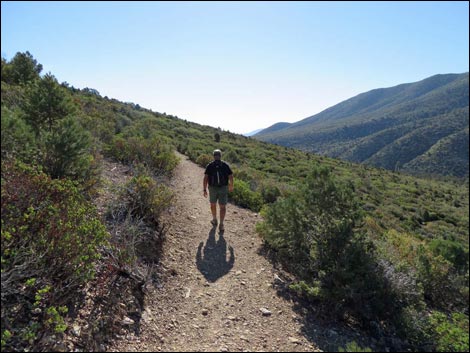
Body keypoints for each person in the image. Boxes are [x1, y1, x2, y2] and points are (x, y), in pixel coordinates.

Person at [203, 149, 234, 232]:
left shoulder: (210, 165)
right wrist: (231, 186)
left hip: (214, 188)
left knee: (214, 205)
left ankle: (215, 220)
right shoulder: (224, 165)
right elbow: (230, 176)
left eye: (217, 155)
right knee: (222, 206)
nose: (217, 156)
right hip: (222, 188)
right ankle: (220, 223)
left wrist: (204, 189)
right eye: (216, 155)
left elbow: (205, 178)